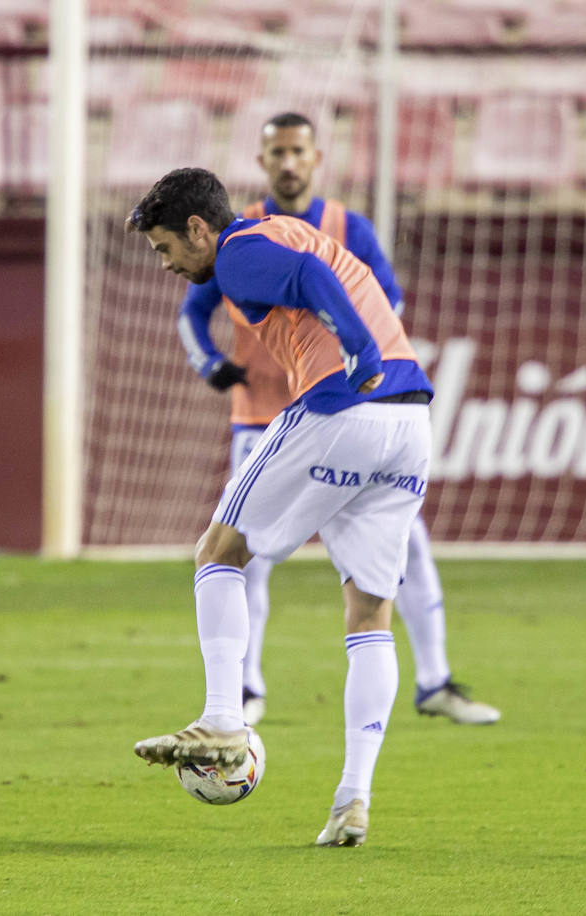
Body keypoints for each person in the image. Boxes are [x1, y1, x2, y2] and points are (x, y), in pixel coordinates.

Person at [129, 167, 433, 847]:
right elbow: (319, 274)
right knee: (369, 613)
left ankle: (223, 719)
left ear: (198, 229)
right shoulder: (281, 229)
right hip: (411, 425)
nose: (170, 265)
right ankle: (353, 800)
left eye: (167, 249)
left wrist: (356, 346)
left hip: (343, 406)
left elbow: (309, 282)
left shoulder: (238, 252)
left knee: (219, 551)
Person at [177, 112, 499, 727]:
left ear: (316, 158)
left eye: (299, 150)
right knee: (248, 556)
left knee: (403, 548)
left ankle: (435, 679)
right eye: (277, 152)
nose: (289, 162)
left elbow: (386, 299)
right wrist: (209, 362)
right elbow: (194, 312)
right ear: (262, 160)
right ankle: (244, 690)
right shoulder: (232, 235)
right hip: (263, 412)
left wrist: (349, 339)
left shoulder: (347, 226)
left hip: (346, 400)